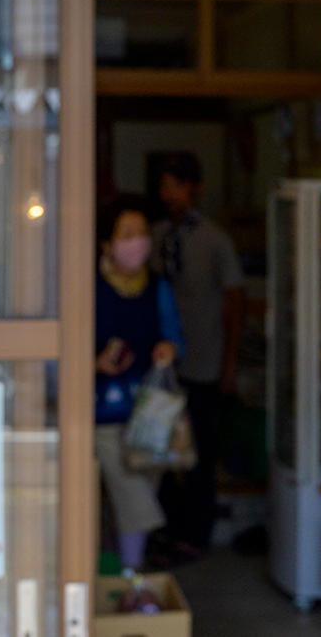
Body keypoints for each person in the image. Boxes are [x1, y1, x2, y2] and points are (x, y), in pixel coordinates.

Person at [151, 152, 245, 560]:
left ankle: (196, 534)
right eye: (164, 186)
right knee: (157, 450)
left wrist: (230, 364)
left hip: (203, 361)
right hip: (159, 366)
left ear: (196, 187)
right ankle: (165, 529)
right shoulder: (153, 237)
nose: (168, 194)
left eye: (176, 185)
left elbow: (236, 305)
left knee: (199, 454)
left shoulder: (215, 240)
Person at [94, 195, 185, 572]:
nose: (138, 243)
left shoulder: (157, 287)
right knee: (134, 495)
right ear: (107, 244)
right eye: (127, 234)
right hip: (103, 414)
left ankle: (121, 574)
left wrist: (169, 348)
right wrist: (94, 362)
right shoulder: (88, 288)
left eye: (143, 234)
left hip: (150, 414)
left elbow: (175, 336)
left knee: (137, 491)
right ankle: (131, 577)